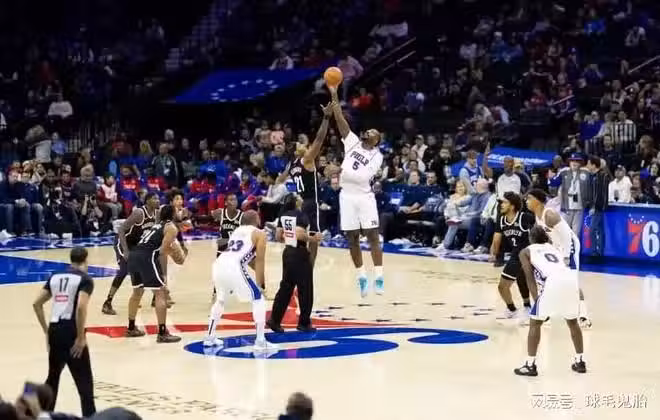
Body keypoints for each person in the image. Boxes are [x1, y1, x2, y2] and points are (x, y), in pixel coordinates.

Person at [328, 85, 384, 297]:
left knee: (372, 236)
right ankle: (362, 277)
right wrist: (334, 93)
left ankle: (379, 277)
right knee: (351, 238)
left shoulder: (377, 156)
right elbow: (339, 117)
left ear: (377, 141)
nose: (369, 132)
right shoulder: (352, 142)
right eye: (368, 130)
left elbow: (363, 177)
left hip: (364, 197)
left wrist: (339, 170)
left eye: (374, 132)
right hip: (347, 196)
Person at [32, 247, 96, 417]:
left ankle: (44, 416)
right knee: (84, 383)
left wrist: (47, 331)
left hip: (55, 330)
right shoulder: (85, 279)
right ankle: (90, 417)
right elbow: (81, 307)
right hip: (71, 331)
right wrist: (80, 337)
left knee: (53, 379)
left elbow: (37, 304)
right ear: (85, 260)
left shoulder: (55, 276)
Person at [515, 226, 586, 376]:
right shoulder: (553, 248)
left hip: (553, 282)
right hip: (571, 280)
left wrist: (536, 299)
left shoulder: (526, 251)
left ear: (531, 238)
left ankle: (530, 365)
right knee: (573, 322)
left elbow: (529, 277)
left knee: (535, 323)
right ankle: (580, 362)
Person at [203, 210, 276, 352]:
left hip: (219, 263)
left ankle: (209, 337)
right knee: (258, 299)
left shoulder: (236, 231)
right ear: (257, 220)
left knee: (220, 300)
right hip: (234, 266)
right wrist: (261, 285)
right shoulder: (260, 234)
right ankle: (260, 341)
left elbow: (244, 256)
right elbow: (259, 260)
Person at [526, 188, 591, 328]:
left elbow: (567, 235)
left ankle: (583, 316)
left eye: (529, 198)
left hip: (570, 247)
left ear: (538, 201)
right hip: (556, 249)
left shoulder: (549, 214)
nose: (527, 201)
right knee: (546, 280)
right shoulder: (537, 217)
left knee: (571, 282)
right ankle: (544, 315)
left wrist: (566, 256)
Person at [279, 101, 333, 266]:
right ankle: (309, 268)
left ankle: (296, 263)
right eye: (301, 144)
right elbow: (319, 138)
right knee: (314, 238)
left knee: (301, 235)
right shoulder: (306, 159)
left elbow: (279, 180)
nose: (304, 145)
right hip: (311, 203)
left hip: (300, 203)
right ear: (298, 151)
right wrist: (326, 118)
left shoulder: (291, 166)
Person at [125, 204, 186, 343]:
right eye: (177, 210)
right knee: (160, 293)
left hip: (134, 256)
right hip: (147, 257)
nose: (180, 212)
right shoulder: (171, 227)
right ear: (172, 214)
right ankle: (162, 333)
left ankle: (131, 328)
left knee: (137, 293)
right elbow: (163, 250)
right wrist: (176, 254)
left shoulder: (156, 225)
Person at [267, 194, 321, 333]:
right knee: (305, 290)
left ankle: (274, 320)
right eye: (299, 198)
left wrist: (288, 237)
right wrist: (313, 239)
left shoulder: (283, 215)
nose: (302, 199)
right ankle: (304, 323)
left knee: (285, 288)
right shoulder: (301, 215)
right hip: (300, 253)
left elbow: (278, 237)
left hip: (288, 253)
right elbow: (299, 234)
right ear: (296, 202)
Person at [102, 192, 160, 315]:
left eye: (158, 198)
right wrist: (126, 251)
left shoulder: (156, 214)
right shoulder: (139, 213)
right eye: (154, 198)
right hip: (123, 242)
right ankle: (107, 302)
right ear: (147, 201)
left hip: (136, 245)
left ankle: (148, 298)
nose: (158, 200)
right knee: (124, 269)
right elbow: (121, 229)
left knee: (147, 267)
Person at [490, 192, 535, 320]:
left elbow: (540, 229)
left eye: (504, 202)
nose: (501, 205)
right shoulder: (501, 219)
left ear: (512, 206)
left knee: (505, 285)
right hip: (516, 254)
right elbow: (496, 238)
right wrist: (494, 253)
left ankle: (519, 309)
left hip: (528, 253)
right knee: (517, 279)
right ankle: (521, 308)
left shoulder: (525, 218)